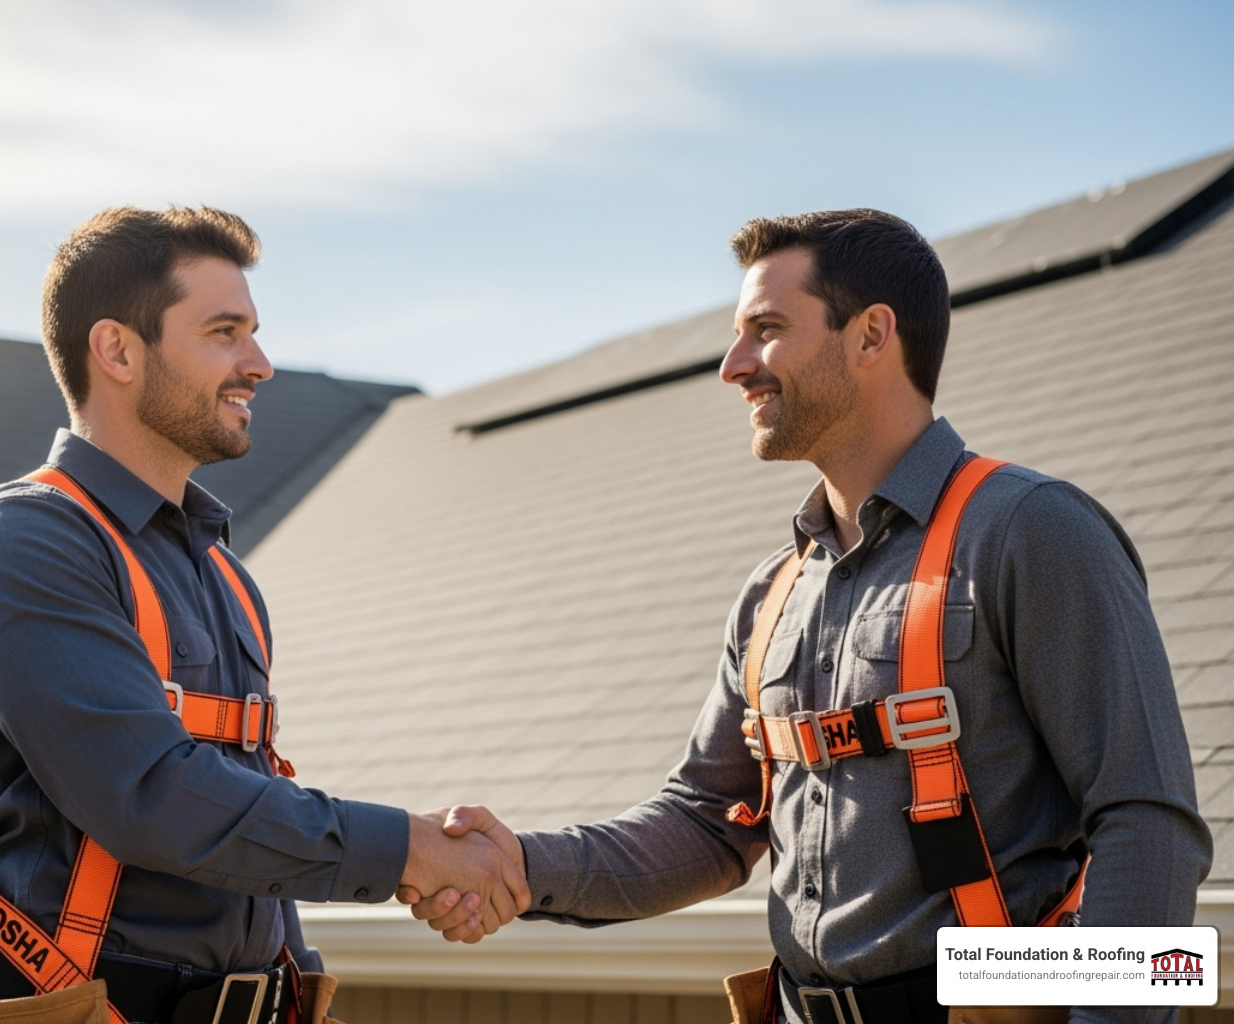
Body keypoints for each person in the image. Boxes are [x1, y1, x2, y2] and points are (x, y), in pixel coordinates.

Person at [404, 209, 1212, 1024]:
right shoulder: (775, 592)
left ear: (870, 336)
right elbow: (705, 825)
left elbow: (1148, 818)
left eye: (765, 329)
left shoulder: (1031, 529)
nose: (732, 366)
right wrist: (519, 863)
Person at [0, 206, 527, 1024]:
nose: (260, 364)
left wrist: (297, 977)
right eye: (224, 332)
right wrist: (410, 850)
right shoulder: (23, 544)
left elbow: (243, 807)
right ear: (118, 351)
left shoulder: (223, 574)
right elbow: (151, 798)